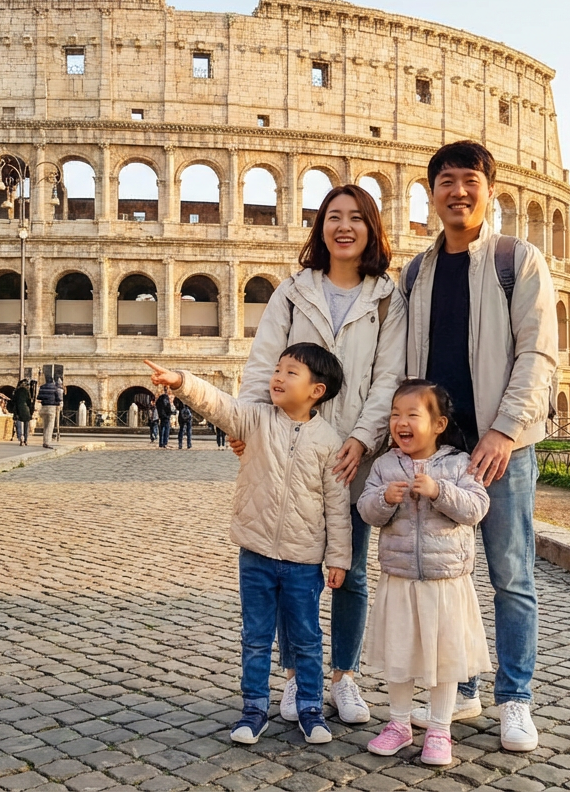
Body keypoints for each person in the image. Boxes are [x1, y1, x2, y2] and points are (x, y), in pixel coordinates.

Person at [402, 141, 557, 752]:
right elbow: (402, 364)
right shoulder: (415, 273)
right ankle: (462, 688)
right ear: (432, 191)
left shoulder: (516, 261)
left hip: (503, 451)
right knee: (450, 578)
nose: (458, 191)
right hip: (440, 456)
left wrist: (505, 430)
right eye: (446, 181)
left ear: (490, 191)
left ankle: (515, 698)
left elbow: (537, 353)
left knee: (512, 577)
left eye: (470, 180)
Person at [234, 183, 406, 725]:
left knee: (349, 568)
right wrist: (246, 419)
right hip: (291, 446)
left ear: (371, 227)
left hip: (355, 451)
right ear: (320, 227)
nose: (344, 227)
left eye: (356, 217)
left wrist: (361, 438)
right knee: (290, 567)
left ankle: (344, 676)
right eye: (334, 217)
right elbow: (266, 363)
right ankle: (294, 677)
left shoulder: (387, 296)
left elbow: (388, 378)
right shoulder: (291, 291)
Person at [145, 343, 351, 746]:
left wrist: (339, 557)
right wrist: (182, 382)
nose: (278, 377)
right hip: (255, 552)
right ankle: (253, 709)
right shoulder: (256, 418)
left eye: (291, 372)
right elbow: (219, 405)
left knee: (307, 638)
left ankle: (310, 707)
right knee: (255, 635)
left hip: (303, 560)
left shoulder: (329, 441)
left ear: (317, 391)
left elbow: (338, 507)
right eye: (278, 369)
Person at [357, 380, 491, 766]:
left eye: (412, 415)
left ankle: (439, 729)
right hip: (399, 576)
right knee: (400, 652)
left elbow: (475, 507)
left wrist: (439, 491)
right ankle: (399, 723)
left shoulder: (458, 463)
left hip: (445, 579)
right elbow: (367, 509)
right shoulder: (385, 465)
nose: (401, 422)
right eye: (395, 414)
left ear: (438, 424)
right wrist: (384, 499)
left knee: (445, 657)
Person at [37, 374, 63, 448]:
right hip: (51, 407)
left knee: (45, 425)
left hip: (44, 407)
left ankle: (44, 441)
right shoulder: (55, 388)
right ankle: (47, 442)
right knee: (50, 426)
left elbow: (39, 397)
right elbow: (58, 399)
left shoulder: (42, 387)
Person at [10, 379, 34, 446]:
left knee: (18, 423)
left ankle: (20, 437)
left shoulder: (16, 391)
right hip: (25, 408)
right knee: (26, 424)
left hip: (17, 408)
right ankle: (26, 439)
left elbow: (13, 400)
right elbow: (29, 402)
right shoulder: (27, 391)